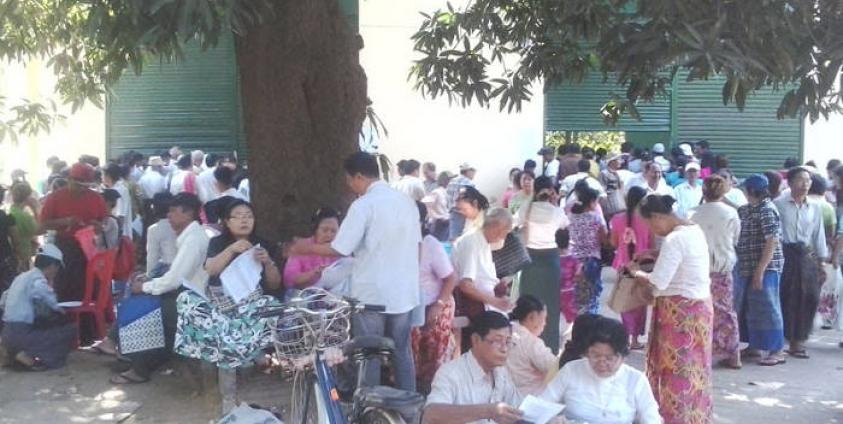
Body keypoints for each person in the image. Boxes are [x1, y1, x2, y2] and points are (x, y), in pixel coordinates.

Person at [289, 152, 421, 392]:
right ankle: (408, 405)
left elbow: (340, 248)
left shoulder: (363, 205)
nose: (348, 185)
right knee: (402, 351)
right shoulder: (406, 202)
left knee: (368, 353)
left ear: (359, 177)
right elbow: (417, 246)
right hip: (404, 291)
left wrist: (303, 247)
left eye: (349, 180)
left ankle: (368, 406)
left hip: (373, 293)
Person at [627, 194, 712, 423]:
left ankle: (675, 417)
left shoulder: (675, 239)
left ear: (657, 217)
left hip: (679, 313)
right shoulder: (693, 230)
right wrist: (656, 255)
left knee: (677, 370)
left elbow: (658, 281)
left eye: (650, 224)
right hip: (698, 307)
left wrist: (635, 273)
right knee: (694, 366)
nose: (652, 230)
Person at [109, 193, 210, 384]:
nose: (169, 216)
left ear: (188, 214)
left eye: (173, 211)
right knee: (143, 302)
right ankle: (132, 356)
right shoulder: (190, 236)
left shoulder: (194, 240)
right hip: (186, 295)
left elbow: (174, 279)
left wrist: (146, 286)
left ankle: (138, 365)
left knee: (144, 309)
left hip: (193, 300)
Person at [175, 199, 282, 369]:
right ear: (227, 221)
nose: (244, 220)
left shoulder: (265, 245)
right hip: (220, 303)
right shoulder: (218, 243)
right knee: (185, 299)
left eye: (249, 216)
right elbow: (211, 269)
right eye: (238, 217)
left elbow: (275, 284)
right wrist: (231, 249)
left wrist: (268, 262)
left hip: (250, 304)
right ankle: (244, 352)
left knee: (272, 306)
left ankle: (241, 352)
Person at [541, 317, 662, 424]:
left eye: (609, 358)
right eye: (595, 355)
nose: (602, 363)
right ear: (587, 352)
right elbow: (542, 403)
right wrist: (552, 419)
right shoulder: (571, 370)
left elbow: (651, 418)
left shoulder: (636, 380)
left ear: (623, 357)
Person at [423, 311, 523, 424]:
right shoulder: (450, 373)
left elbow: (519, 408)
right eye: (497, 341)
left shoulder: (501, 373)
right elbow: (431, 415)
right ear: (475, 340)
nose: (504, 349)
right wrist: (487, 411)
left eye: (508, 342)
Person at [774, 167, 828, 359]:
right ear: (790, 182)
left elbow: (818, 235)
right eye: (800, 180)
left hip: (806, 256)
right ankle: (781, 342)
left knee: (808, 297)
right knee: (785, 297)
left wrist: (822, 262)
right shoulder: (779, 204)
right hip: (785, 254)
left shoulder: (814, 207)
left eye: (808, 180)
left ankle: (799, 341)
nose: (805, 184)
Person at [734, 174, 786, 366]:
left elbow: (772, 240)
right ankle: (754, 346)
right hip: (749, 266)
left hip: (766, 267)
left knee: (769, 307)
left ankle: (777, 350)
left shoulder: (767, 210)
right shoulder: (749, 209)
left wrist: (760, 270)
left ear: (751, 191)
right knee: (752, 307)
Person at [690, 176, 742, 369]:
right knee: (726, 311)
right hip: (722, 268)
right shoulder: (731, 213)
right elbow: (735, 238)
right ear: (724, 192)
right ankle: (733, 355)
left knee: (700, 310)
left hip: (698, 269)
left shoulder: (692, 213)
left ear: (703, 191)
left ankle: (703, 352)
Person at [39, 163, 108, 301]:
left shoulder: (95, 198)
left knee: (88, 284)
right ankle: (66, 315)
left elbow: (104, 220)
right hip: (65, 246)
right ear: (69, 180)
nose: (82, 190)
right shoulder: (55, 197)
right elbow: (42, 224)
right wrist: (65, 221)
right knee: (65, 284)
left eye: (86, 186)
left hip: (89, 247)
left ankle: (87, 314)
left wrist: (99, 226)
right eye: (79, 185)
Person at [0, 244, 76, 370]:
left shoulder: (21, 277)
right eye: (57, 267)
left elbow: (4, 299)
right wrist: (57, 307)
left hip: (6, 331)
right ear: (52, 266)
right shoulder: (38, 278)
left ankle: (12, 352)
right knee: (70, 330)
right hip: (21, 333)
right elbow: (41, 290)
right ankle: (27, 355)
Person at [515, 176, 568, 352]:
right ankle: (549, 346)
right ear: (552, 191)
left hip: (530, 259)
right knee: (551, 305)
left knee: (528, 301)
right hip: (551, 260)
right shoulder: (556, 211)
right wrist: (555, 203)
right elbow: (564, 226)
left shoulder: (527, 208)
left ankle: (525, 343)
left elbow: (515, 222)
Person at [412, 202, 457, 393]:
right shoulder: (397, 244)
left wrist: (438, 306)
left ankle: (435, 394)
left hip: (436, 302)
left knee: (433, 355)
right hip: (411, 306)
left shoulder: (430, 244)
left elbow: (450, 279)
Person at [609, 186, 652, 350]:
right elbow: (652, 244)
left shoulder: (617, 218)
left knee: (625, 301)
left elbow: (613, 242)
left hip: (623, 265)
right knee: (640, 303)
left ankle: (626, 336)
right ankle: (635, 338)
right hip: (642, 265)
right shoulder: (647, 219)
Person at [452, 207, 513, 315]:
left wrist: (499, 286)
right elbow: (466, 286)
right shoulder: (471, 242)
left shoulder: (484, 242)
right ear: (497, 228)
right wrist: (495, 302)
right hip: (474, 305)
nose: (504, 237)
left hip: (488, 302)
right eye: (506, 232)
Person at [282, 207, 341, 298]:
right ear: (315, 230)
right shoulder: (302, 248)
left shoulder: (341, 250)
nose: (329, 235)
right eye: (325, 230)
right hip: (304, 299)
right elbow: (289, 280)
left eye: (333, 231)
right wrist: (313, 273)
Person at [505, 295, 557, 396]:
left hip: (504, 396)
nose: (545, 324)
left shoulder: (502, 333)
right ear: (532, 317)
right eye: (544, 318)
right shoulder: (532, 343)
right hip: (531, 398)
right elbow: (555, 368)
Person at [568, 185, 607, 315]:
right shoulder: (595, 218)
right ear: (591, 202)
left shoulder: (570, 217)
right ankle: (591, 322)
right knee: (592, 295)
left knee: (577, 294)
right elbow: (604, 238)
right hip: (592, 260)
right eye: (596, 202)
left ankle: (577, 322)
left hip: (573, 260)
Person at [8, 182, 40, 273]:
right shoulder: (24, 216)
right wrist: (35, 208)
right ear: (27, 197)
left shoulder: (11, 212)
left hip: (14, 255)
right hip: (24, 255)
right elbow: (40, 229)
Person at [145, 192, 177, 278]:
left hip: (168, 269)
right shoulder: (182, 224)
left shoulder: (154, 229)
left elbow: (152, 257)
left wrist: (148, 277)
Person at [102, 163, 134, 240]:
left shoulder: (119, 190)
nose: (101, 177)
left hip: (120, 234)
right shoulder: (114, 188)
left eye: (102, 175)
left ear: (108, 176)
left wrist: (118, 236)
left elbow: (120, 215)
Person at [446, 163, 477, 240]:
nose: (474, 174)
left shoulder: (452, 181)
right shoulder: (469, 183)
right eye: (474, 171)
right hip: (464, 215)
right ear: (469, 171)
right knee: (463, 239)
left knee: (453, 238)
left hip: (453, 213)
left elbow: (447, 197)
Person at [557, 229, 579, 326]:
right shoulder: (573, 259)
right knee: (571, 316)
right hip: (569, 291)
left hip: (554, 291)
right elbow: (577, 275)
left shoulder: (552, 259)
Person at [422, 171, 452, 242]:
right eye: (450, 179)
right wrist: (434, 216)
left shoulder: (446, 192)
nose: (451, 182)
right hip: (439, 224)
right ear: (445, 181)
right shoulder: (437, 192)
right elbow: (424, 203)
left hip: (446, 223)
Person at [599, 154, 627, 218]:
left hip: (621, 206)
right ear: (612, 162)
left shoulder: (618, 173)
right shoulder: (604, 173)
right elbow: (602, 191)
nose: (620, 162)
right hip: (611, 208)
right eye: (618, 160)